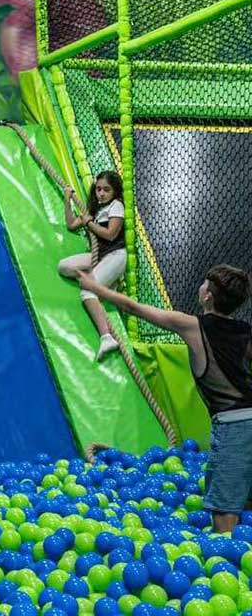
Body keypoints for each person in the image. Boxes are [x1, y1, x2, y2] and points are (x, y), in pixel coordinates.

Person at [79, 264, 252, 533]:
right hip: (244, 419)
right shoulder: (244, 330)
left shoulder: (193, 326)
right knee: (245, 497)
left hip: (234, 425)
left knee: (223, 514)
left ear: (208, 296)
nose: (201, 287)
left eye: (204, 284)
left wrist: (96, 288)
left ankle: (231, 564)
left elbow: (135, 308)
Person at [57, 171, 126, 360]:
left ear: (114, 192)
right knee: (64, 266)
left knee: (87, 291)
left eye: (106, 190)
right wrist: (67, 199)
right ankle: (105, 281)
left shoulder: (116, 206)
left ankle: (106, 337)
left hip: (115, 255)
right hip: (100, 256)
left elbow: (111, 234)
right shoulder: (94, 210)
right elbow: (72, 224)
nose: (101, 193)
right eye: (98, 189)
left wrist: (90, 223)